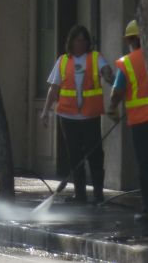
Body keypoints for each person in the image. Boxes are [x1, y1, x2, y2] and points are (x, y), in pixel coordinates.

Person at [40, 24, 114, 204]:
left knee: (95, 155)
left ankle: (98, 194)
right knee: (74, 156)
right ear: (71, 42)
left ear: (87, 42)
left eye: (83, 40)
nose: (80, 43)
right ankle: (80, 194)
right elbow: (54, 89)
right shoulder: (63, 61)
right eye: (77, 40)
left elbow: (106, 72)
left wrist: (110, 77)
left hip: (90, 116)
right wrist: (45, 111)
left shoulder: (95, 58)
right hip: (68, 117)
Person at [107, 20, 148, 221]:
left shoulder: (128, 62)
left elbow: (117, 92)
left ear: (132, 40)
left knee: (145, 165)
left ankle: (147, 208)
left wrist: (112, 109)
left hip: (141, 122)